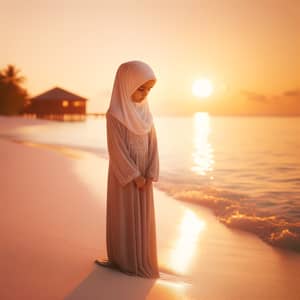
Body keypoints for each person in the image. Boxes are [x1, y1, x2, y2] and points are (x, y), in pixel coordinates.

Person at [96, 60, 160, 278]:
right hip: (125, 174)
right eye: (140, 88)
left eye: (148, 90)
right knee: (124, 214)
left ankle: (141, 257)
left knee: (143, 218)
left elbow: (153, 144)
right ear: (126, 83)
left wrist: (150, 172)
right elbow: (116, 149)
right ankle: (122, 259)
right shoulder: (114, 114)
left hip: (144, 173)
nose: (144, 94)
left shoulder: (146, 115)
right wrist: (134, 176)